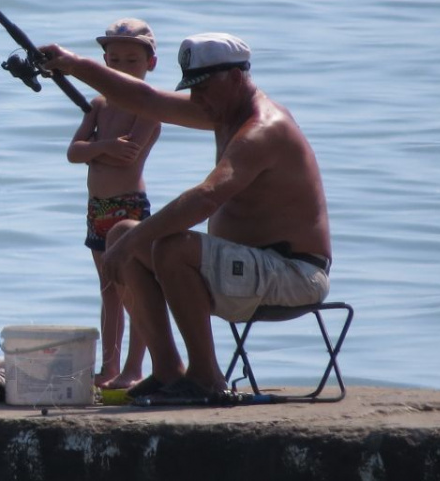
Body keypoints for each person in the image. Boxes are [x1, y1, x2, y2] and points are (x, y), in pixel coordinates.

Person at [42, 32, 331, 403]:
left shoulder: (263, 128)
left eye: (203, 87)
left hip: (294, 274)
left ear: (236, 77)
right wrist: (72, 63)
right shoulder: (222, 111)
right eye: (191, 89)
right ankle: (167, 372)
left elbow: (207, 196)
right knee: (119, 234)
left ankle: (206, 378)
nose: (197, 99)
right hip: (247, 269)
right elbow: (144, 98)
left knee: (170, 247)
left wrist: (137, 239)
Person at [67, 19, 161, 389]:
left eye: (132, 61)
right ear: (105, 62)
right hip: (98, 211)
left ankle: (135, 367)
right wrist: (103, 147)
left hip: (128, 209)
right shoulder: (99, 104)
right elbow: (74, 152)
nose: (122, 68)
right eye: (115, 60)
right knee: (108, 291)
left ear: (150, 64)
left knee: (134, 290)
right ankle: (109, 367)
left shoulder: (150, 106)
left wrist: (98, 150)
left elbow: (129, 155)